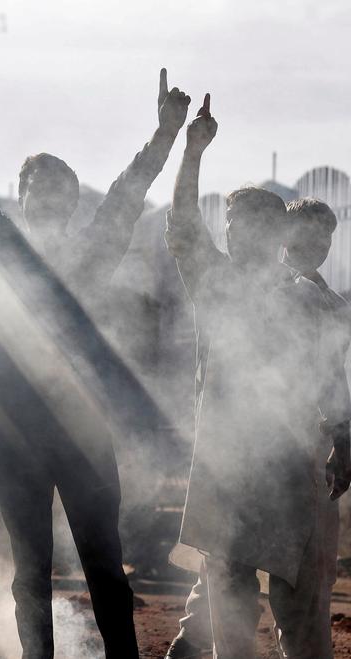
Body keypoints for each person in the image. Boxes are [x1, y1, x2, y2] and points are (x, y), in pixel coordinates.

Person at [0, 47, 189, 658]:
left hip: (84, 434)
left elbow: (128, 193)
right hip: (18, 439)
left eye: (61, 190)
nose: (50, 198)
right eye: (38, 188)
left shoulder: (90, 255)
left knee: (104, 567)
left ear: (73, 202)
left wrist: (164, 134)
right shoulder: (1, 246)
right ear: (22, 198)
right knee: (29, 572)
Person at [165, 95, 347, 659]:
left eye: (253, 226)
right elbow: (182, 225)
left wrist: (344, 436)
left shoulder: (308, 298)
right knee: (229, 603)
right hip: (227, 467)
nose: (237, 235)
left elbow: (329, 375)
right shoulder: (215, 284)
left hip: (290, 470)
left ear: (275, 236)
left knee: (301, 605)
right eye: (233, 224)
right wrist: (192, 151)